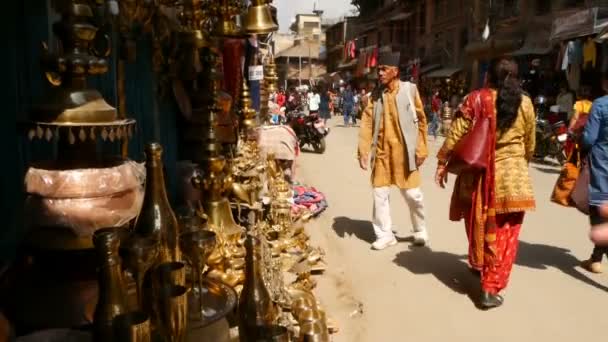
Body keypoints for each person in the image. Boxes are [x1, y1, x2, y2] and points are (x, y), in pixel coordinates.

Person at [435, 57, 536, 309]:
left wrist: (442, 162)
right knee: (506, 235)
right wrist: (521, 161)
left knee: (478, 226)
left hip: (477, 177)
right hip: (513, 179)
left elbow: (456, 132)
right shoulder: (525, 103)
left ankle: (482, 271)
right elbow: (530, 143)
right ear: (516, 78)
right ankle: (490, 286)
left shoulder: (476, 99)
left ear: (487, 76)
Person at [358, 51, 429, 250]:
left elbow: (422, 121)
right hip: (382, 153)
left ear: (395, 71)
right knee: (379, 194)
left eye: (384, 69)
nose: (379, 73)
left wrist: (421, 148)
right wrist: (363, 150)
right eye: (378, 69)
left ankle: (420, 229)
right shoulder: (375, 95)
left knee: (413, 195)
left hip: (405, 154)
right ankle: (385, 234)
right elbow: (367, 122)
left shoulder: (409, 90)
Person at [580, 74, 608, 273]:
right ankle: (595, 258)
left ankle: (597, 259)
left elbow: (589, 138)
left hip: (602, 163)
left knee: (598, 210)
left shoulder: (600, 104)